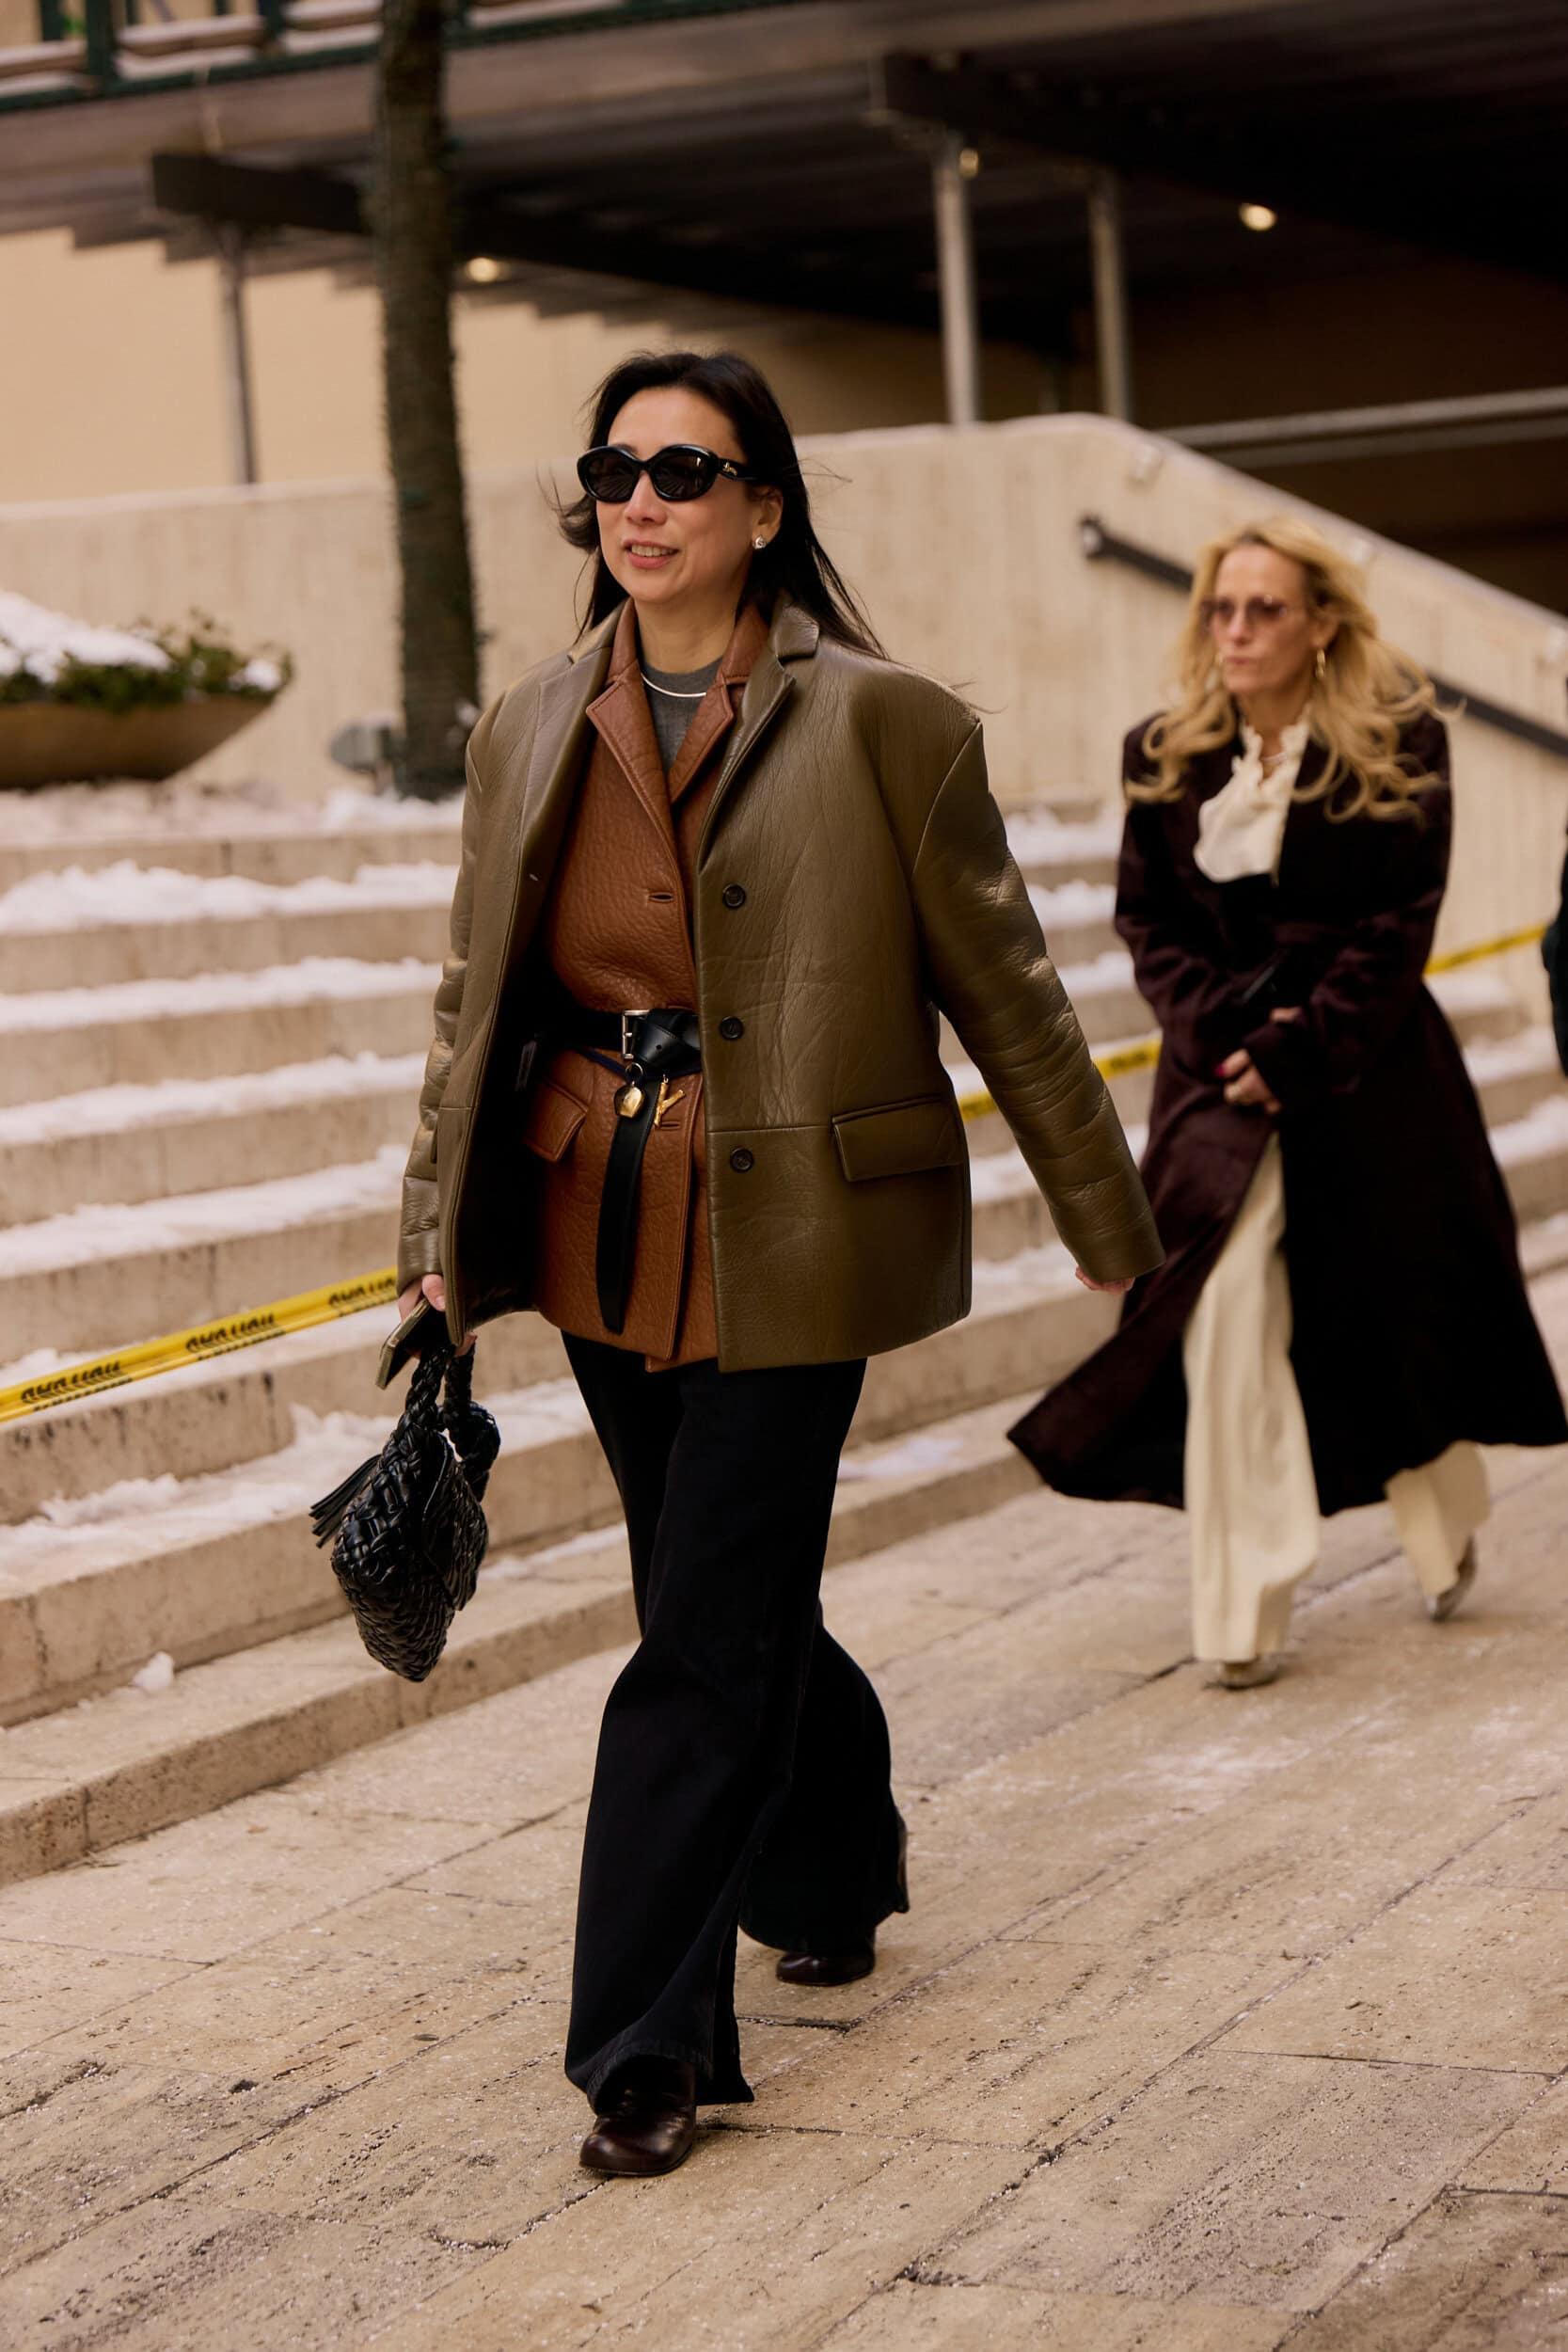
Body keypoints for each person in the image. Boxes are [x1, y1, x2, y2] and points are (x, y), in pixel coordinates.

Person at [394, 348, 1162, 2176]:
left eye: (684, 470)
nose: (641, 502)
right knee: (712, 1591)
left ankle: (646, 2043)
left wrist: (1112, 1230)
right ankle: (830, 1861)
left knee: (701, 1621)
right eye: (615, 470)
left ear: (762, 506)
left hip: (800, 1221)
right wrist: (430, 1238)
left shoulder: (887, 722)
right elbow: (469, 999)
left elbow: (1008, 989)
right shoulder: (526, 723)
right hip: (594, 1205)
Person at [1010, 516, 1566, 1691]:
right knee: (1218, 1319)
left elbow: (1399, 922)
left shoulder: (1400, 743)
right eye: (1220, 607)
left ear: (1320, 623)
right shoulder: (1161, 752)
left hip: (1369, 1081)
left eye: (1263, 608)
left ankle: (1441, 1515)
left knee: (1383, 1322)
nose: (1235, 630)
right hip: (1215, 1088)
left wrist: (1301, 1048)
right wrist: (1225, 1038)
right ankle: (1242, 1600)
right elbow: (1145, 920)